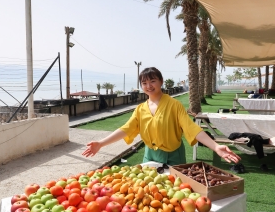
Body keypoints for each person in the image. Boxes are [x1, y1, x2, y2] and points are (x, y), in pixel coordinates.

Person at [82, 67, 241, 165]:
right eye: (144, 83)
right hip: (150, 155)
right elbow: (126, 129)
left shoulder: (174, 105)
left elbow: (191, 128)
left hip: (174, 156)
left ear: (161, 82)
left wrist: (215, 146)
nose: (148, 86)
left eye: (152, 81)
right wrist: (101, 144)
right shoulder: (140, 109)